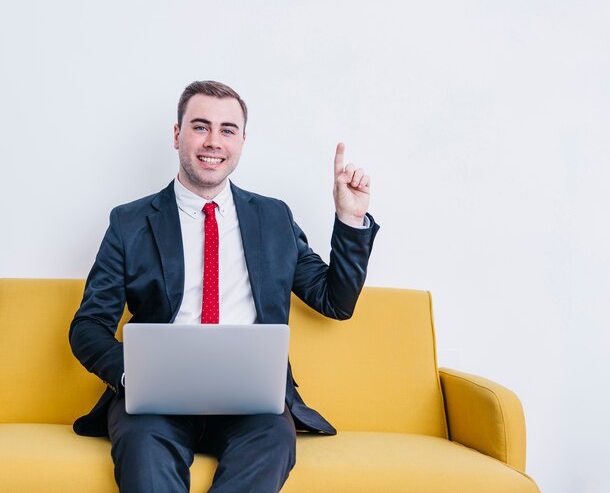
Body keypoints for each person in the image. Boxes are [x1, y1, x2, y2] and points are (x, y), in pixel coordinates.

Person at [70, 80, 380, 493]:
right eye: (200, 127)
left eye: (227, 130)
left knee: (273, 438)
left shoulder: (273, 218)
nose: (213, 141)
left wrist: (349, 219)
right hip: (156, 401)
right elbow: (87, 326)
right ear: (177, 135)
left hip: (251, 404)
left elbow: (335, 301)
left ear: (242, 141)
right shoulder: (130, 223)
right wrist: (137, 376)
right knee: (144, 447)